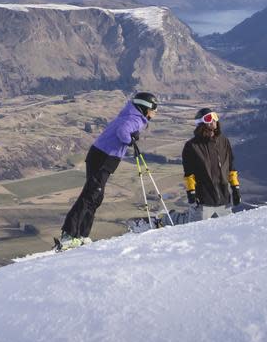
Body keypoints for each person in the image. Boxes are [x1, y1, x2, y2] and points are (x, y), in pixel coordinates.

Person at [57, 91, 158, 249]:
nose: (155, 112)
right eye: (154, 109)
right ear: (145, 108)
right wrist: (130, 140)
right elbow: (122, 132)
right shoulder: (136, 119)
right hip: (103, 158)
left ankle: (82, 235)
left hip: (101, 156)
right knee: (91, 194)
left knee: (96, 196)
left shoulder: (131, 115)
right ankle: (69, 235)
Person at [182, 108, 241, 220]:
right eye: (209, 118)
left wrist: (235, 188)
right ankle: (165, 219)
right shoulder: (192, 146)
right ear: (201, 123)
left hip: (224, 200)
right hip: (203, 201)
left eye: (214, 116)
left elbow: (231, 168)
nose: (214, 120)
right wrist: (191, 193)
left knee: (226, 230)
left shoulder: (224, 141)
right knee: (195, 231)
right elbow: (189, 174)